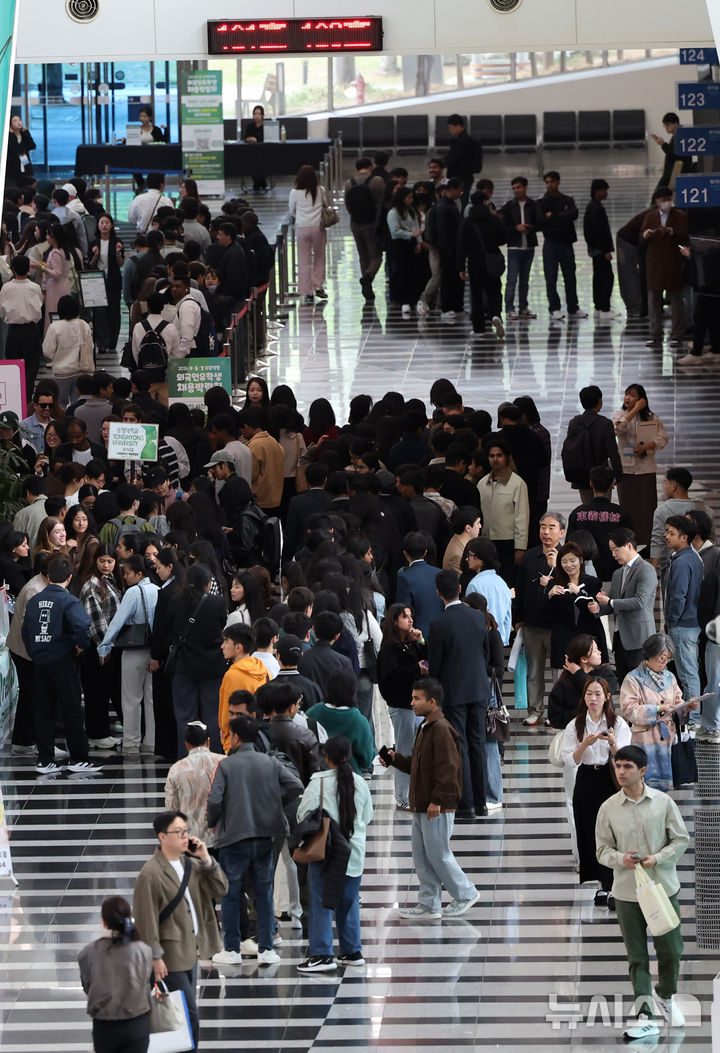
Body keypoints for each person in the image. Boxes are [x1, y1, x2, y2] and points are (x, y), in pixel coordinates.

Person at [595, 744, 689, 1040]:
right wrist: (620, 859)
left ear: (643, 771)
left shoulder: (663, 803)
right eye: (617, 766)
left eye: (627, 767)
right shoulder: (608, 808)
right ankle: (645, 1015)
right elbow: (601, 849)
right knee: (637, 957)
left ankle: (666, 994)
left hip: (662, 888)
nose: (620, 772)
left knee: (672, 951)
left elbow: (681, 839)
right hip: (627, 893)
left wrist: (657, 858)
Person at [206, 714, 303, 966]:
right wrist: (274, 802)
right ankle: (267, 948)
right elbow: (295, 785)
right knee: (264, 890)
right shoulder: (269, 762)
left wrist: (213, 820)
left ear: (236, 737)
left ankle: (232, 950)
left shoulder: (227, 765)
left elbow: (215, 800)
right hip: (264, 834)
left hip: (233, 838)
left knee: (231, 892)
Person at [382, 677, 479, 918]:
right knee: (422, 856)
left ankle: (465, 893)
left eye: (417, 698)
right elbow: (418, 767)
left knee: (438, 854)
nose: (412, 703)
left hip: (436, 805)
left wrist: (438, 799)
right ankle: (429, 903)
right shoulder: (425, 728)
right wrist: (395, 759)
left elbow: (448, 769)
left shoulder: (442, 730)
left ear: (432, 702)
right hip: (421, 804)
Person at [132, 810, 228, 1049]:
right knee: (189, 1013)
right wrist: (155, 956)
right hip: (169, 955)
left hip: (190, 950)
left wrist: (206, 859)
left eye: (186, 832)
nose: (185, 837)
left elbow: (221, 889)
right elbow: (145, 919)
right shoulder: (150, 873)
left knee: (183, 1011)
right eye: (178, 833)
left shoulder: (192, 865)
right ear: (162, 837)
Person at [296, 735, 374, 972]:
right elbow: (367, 816)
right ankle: (352, 951)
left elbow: (302, 814)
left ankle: (322, 954)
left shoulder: (318, 782)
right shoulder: (359, 782)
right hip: (354, 853)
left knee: (321, 901)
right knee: (348, 903)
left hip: (327, 852)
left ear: (326, 756)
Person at [21, 555, 102, 775]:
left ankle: (45, 759)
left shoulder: (35, 600)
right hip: (63, 659)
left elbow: (25, 631)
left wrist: (35, 652)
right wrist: (80, 646)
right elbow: (82, 626)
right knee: (71, 709)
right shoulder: (69, 601)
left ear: (47, 577)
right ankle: (79, 757)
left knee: (43, 710)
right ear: (69, 577)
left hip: (40, 660)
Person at [562, 677, 632, 908]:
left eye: (598, 694)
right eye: (589, 694)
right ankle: (602, 884)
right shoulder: (576, 724)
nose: (593, 699)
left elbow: (625, 757)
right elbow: (569, 760)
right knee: (590, 830)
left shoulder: (617, 722)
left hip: (608, 778)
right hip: (585, 779)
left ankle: (614, 885)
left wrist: (612, 743)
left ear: (607, 697)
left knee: (612, 831)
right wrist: (585, 744)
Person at [427, 569, 491, 819]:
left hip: (453, 691)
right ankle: (482, 802)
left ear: (438, 593)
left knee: (460, 745)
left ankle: (465, 804)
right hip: (479, 688)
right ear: (461, 589)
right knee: (479, 744)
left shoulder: (438, 623)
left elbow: (436, 663)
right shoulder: (478, 617)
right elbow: (484, 654)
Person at [619, 633, 699, 790]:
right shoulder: (633, 678)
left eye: (667, 658)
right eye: (661, 657)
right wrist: (656, 709)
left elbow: (677, 702)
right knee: (644, 785)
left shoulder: (670, 677)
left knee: (664, 790)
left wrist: (687, 707)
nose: (664, 662)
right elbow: (628, 709)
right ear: (650, 653)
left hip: (668, 739)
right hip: (645, 740)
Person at [98, 554, 158, 756]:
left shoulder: (133, 592)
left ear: (138, 574)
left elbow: (118, 621)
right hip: (154, 651)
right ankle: (151, 741)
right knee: (151, 699)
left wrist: (105, 645)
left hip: (133, 650)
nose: (125, 576)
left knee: (131, 698)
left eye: (127, 573)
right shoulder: (159, 590)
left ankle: (132, 743)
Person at [77, 895, 153, 1053]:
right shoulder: (143, 950)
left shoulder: (89, 953)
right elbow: (148, 982)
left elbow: (87, 986)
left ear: (104, 922)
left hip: (105, 1025)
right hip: (137, 1022)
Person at [168, 564, 227, 758]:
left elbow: (170, 631)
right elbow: (221, 630)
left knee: (184, 717)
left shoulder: (175, 601)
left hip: (184, 666)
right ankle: (214, 757)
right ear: (208, 584)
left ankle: (185, 758)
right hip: (213, 666)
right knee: (213, 716)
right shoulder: (217, 603)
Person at [515, 512, 566, 726]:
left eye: (552, 527)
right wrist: (518, 619)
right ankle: (535, 710)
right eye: (543, 527)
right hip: (532, 623)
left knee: (558, 673)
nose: (546, 531)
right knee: (534, 671)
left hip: (558, 625)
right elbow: (520, 588)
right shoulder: (529, 557)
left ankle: (556, 712)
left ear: (562, 532)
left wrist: (557, 566)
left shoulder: (568, 557)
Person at [377, 603, 427, 809]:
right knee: (405, 749)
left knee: (418, 749)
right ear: (394, 621)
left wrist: (422, 640)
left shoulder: (412, 643)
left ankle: (415, 792)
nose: (410, 620)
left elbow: (427, 658)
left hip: (417, 705)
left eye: (411, 616)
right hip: (402, 705)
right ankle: (403, 796)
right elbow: (390, 677)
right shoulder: (389, 647)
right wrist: (414, 668)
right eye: (405, 617)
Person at [595, 528, 658, 682]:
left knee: (641, 685)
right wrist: (598, 607)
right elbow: (615, 604)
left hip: (639, 638)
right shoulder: (618, 574)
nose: (613, 554)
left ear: (629, 546)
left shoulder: (646, 569)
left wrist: (610, 601)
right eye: (611, 550)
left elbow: (640, 601)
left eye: (616, 550)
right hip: (620, 638)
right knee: (625, 685)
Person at [78, 541, 123, 749]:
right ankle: (97, 734)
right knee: (96, 691)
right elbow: (95, 620)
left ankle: (100, 732)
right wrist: (103, 646)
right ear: (95, 561)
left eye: (110, 561)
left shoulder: (110, 579)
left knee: (104, 691)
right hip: (98, 646)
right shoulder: (92, 584)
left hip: (107, 645)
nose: (106, 565)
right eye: (102, 561)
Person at [612, 383, 669, 546]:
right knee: (628, 506)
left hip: (646, 468)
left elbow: (663, 437)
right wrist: (634, 411)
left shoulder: (651, 417)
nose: (628, 397)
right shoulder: (619, 414)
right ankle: (630, 540)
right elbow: (618, 429)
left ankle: (648, 540)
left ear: (641, 399)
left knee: (647, 506)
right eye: (626, 394)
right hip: (626, 468)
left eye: (633, 395)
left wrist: (648, 446)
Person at [545, 540, 606, 672]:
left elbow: (592, 610)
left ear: (580, 560)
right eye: (564, 561)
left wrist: (578, 593)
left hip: (588, 639)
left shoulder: (592, 582)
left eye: (572, 560)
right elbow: (546, 614)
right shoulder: (555, 584)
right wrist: (549, 595)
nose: (569, 565)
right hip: (563, 640)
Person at [567, 465, 633, 583]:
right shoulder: (622, 514)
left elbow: (569, 547)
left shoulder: (577, 514)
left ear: (591, 484)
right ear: (612, 484)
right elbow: (630, 549)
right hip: (615, 577)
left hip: (583, 578)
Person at [640, 187, 688, 349]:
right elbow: (642, 237)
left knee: (676, 299)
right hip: (654, 262)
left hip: (673, 261)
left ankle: (677, 334)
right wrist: (646, 234)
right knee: (653, 300)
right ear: (657, 202)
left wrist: (671, 231)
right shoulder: (650, 216)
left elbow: (685, 235)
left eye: (669, 199)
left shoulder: (680, 216)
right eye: (663, 200)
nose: (666, 203)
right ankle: (655, 335)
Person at [477, 437, 529, 586]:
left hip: (507, 542)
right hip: (486, 541)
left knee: (507, 582)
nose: (495, 459)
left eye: (499, 455)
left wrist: (520, 547)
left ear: (506, 457)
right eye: (491, 456)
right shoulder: (482, 483)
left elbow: (522, 517)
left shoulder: (517, 484)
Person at [164, 721, 226, 843]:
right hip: (220, 838)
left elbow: (171, 807)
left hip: (190, 840)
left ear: (187, 744)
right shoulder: (224, 763)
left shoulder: (176, 769)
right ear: (208, 741)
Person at [663, 515, 703, 704]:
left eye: (671, 533)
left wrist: (672, 621)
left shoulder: (681, 561)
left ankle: (693, 719)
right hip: (691, 622)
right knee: (690, 671)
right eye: (666, 531)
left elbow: (678, 596)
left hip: (682, 625)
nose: (666, 536)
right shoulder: (693, 558)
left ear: (684, 537)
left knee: (687, 674)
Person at [562, 384, 623, 504]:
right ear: (599, 401)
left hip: (581, 474)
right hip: (601, 475)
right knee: (602, 508)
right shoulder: (605, 423)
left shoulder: (574, 422)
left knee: (586, 508)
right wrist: (618, 476)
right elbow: (613, 452)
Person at [306, 669, 374, 775]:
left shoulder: (313, 713)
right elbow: (366, 760)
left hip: (317, 776)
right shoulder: (359, 721)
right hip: (350, 778)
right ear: (353, 690)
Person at [538, 170, 586, 320]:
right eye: (547, 182)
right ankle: (554, 308)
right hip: (551, 243)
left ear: (558, 182)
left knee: (570, 276)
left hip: (566, 243)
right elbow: (542, 221)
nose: (549, 185)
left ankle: (573, 307)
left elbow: (574, 214)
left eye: (552, 181)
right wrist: (561, 215)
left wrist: (554, 215)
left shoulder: (567, 199)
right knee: (551, 277)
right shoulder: (542, 202)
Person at [650, 466, 713, 574]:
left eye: (666, 483)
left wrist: (652, 572)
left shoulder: (661, 511)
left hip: (671, 567)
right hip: (702, 566)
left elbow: (657, 542)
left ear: (674, 486)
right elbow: (711, 540)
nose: (664, 487)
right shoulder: (705, 509)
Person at [218, 623, 269, 752]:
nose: (222, 646)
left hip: (236, 741)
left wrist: (226, 741)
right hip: (259, 738)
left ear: (238, 647)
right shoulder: (262, 670)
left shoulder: (232, 675)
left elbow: (226, 714)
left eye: (226, 642)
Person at [42, 294, 94, 406]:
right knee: (79, 404)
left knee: (60, 403)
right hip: (81, 370)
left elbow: (47, 351)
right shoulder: (83, 324)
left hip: (62, 373)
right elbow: (91, 347)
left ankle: (62, 423)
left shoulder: (55, 327)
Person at [0, 255, 43, 391]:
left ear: (13, 269)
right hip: (31, 329)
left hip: (13, 331)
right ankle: (28, 394)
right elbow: (39, 306)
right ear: (28, 268)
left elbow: (1, 311)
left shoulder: (6, 288)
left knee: (14, 366)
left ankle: (17, 394)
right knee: (32, 366)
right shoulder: (35, 287)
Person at [500, 176, 539, 320]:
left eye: (519, 187)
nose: (516, 190)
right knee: (512, 279)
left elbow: (539, 222)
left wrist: (531, 228)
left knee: (524, 279)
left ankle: (523, 307)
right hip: (514, 247)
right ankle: (509, 308)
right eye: (514, 188)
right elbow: (503, 225)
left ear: (525, 187)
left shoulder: (533, 205)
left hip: (528, 247)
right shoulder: (509, 206)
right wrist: (516, 228)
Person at [289, 165, 327, 305]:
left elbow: (292, 210)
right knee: (319, 257)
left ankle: (307, 291)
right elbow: (326, 204)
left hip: (302, 227)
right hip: (318, 227)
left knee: (304, 260)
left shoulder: (294, 193)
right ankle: (318, 286)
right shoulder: (320, 190)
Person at [344, 157, 382, 301]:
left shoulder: (349, 183)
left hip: (355, 223)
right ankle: (367, 277)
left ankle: (367, 285)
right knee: (377, 256)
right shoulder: (377, 181)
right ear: (370, 166)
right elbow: (382, 200)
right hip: (372, 223)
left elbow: (348, 205)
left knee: (363, 256)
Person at [464, 537, 512, 644]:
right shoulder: (502, 583)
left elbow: (471, 619)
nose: (467, 559)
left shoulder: (474, 584)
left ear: (481, 558)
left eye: (470, 555)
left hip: (480, 642)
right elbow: (508, 618)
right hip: (500, 641)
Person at [395, 532, 444, 637]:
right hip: (442, 633)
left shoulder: (404, 577)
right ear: (425, 552)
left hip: (418, 635)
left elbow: (403, 610)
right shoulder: (440, 573)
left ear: (405, 553)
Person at [88, 214, 124, 353]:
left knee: (114, 312)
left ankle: (112, 342)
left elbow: (120, 264)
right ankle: (102, 342)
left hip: (113, 281)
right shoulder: (93, 243)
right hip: (97, 282)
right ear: (98, 225)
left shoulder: (117, 242)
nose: (104, 225)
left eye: (107, 223)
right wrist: (96, 255)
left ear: (111, 225)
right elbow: (91, 265)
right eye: (101, 222)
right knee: (99, 312)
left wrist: (118, 253)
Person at [386, 184, 424, 315]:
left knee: (413, 271)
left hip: (412, 244)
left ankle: (413, 298)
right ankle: (403, 300)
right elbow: (395, 231)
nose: (411, 200)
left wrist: (418, 242)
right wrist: (410, 235)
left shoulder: (412, 211)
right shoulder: (393, 213)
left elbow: (416, 226)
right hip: (399, 245)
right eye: (409, 197)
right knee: (401, 272)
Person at [583, 179, 616, 315]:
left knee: (598, 277)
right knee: (606, 277)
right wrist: (605, 250)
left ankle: (598, 306)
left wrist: (590, 247)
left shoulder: (592, 207)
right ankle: (605, 307)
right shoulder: (596, 209)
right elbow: (599, 232)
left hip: (596, 249)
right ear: (598, 191)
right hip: (601, 250)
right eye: (604, 190)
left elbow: (588, 231)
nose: (606, 193)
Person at [434, 179, 465, 319]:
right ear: (452, 189)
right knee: (448, 278)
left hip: (456, 247)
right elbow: (443, 230)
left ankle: (458, 306)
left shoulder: (452, 204)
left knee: (457, 277)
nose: (461, 192)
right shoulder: (443, 206)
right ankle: (446, 308)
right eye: (459, 189)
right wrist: (446, 248)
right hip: (448, 249)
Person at [651, 111, 694, 189]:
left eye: (668, 125)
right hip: (672, 175)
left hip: (675, 175)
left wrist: (663, 144)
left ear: (676, 124)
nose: (666, 128)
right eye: (665, 126)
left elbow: (675, 155)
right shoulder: (677, 136)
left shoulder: (681, 137)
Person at [445, 115, 475, 206]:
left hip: (462, 176)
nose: (450, 130)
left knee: (461, 202)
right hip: (463, 176)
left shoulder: (464, 141)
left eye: (451, 128)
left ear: (458, 126)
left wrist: (445, 162)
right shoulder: (460, 140)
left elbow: (455, 158)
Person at [442, 506, 482, 573]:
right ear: (468, 528)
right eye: (478, 523)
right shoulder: (457, 556)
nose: (480, 526)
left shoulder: (458, 539)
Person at [242, 104, 268, 192]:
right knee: (253, 161)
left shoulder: (267, 126)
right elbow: (245, 138)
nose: (257, 116)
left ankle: (262, 182)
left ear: (263, 115)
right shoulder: (250, 126)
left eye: (259, 114)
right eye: (255, 114)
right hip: (252, 152)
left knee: (263, 161)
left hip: (264, 152)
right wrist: (250, 139)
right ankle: (257, 182)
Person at [7, 114, 36, 186]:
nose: (18, 122)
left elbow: (32, 146)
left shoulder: (24, 134)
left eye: (19, 120)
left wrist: (26, 133)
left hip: (24, 164)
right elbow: (14, 148)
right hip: (13, 169)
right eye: (15, 120)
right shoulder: (10, 137)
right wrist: (11, 135)